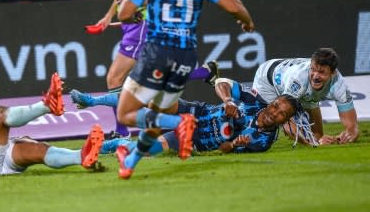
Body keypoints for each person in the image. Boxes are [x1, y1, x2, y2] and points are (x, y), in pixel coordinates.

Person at [114, 0, 255, 179]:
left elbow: (124, 13)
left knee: (126, 113)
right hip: (185, 59)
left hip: (157, 53)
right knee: (158, 115)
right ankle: (131, 161)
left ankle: (182, 124)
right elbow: (235, 6)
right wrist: (247, 22)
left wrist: (136, 11)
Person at [70, 0, 219, 139]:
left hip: (143, 24)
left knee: (114, 78)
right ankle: (205, 72)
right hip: (129, 25)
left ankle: (121, 132)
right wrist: (109, 15)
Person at [100, 78, 307, 157]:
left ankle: (118, 144)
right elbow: (221, 82)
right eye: (276, 106)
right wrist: (228, 101)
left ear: (285, 120)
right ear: (272, 102)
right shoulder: (254, 101)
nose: (274, 113)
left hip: (195, 140)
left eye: (282, 114)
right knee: (152, 101)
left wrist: (234, 144)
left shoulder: (263, 142)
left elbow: (223, 150)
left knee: (146, 151)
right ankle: (95, 101)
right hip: (196, 112)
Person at [251, 47, 359, 145]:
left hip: (286, 75)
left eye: (321, 72)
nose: (315, 76)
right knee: (269, 123)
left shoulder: (339, 85)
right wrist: (313, 143)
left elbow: (352, 126)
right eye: (313, 69)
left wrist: (350, 133)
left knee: (318, 135)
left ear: (333, 74)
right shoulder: (298, 81)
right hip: (267, 80)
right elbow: (288, 124)